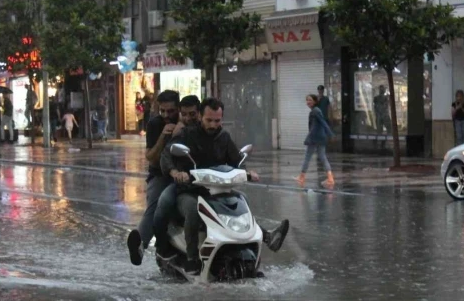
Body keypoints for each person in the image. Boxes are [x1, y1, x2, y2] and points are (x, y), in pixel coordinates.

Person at [154, 97, 290, 273]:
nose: (213, 124)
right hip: (190, 190)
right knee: (192, 209)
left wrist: (247, 172)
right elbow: (167, 155)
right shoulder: (187, 134)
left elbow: (236, 160)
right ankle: (192, 259)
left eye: (217, 120)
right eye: (208, 120)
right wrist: (175, 173)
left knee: (243, 200)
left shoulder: (223, 137)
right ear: (201, 117)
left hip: (217, 190)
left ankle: (265, 238)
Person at [126, 90, 182, 266]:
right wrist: (164, 136)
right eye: (163, 111)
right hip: (160, 174)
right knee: (156, 205)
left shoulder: (187, 122)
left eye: (171, 111)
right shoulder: (155, 124)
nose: (166, 115)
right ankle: (140, 245)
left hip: (186, 174)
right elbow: (151, 157)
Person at [296, 94, 335, 188]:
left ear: (315, 101)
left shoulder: (315, 111)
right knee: (322, 157)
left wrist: (331, 134)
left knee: (307, 157)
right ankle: (330, 178)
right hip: (320, 137)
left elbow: (323, 123)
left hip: (315, 137)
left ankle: (302, 177)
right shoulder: (315, 111)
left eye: (310, 100)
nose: (308, 102)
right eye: (307, 100)